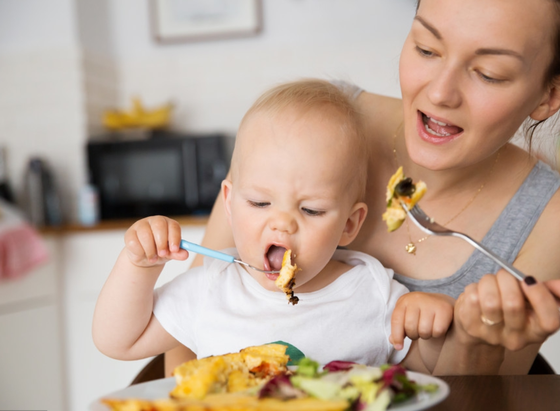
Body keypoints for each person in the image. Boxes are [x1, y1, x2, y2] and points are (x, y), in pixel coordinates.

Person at [164, 0, 560, 376]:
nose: (440, 93)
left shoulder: (550, 217)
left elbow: (484, 394)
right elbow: (188, 326)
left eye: (489, 73)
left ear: (550, 95)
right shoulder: (311, 124)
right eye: (426, 48)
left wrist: (474, 344)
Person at [92, 79, 457, 372]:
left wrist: (430, 328)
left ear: (349, 224)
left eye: (311, 210)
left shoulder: (374, 294)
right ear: (230, 205)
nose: (282, 223)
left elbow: (422, 376)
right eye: (260, 203)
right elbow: (118, 341)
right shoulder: (211, 288)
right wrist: (138, 265)